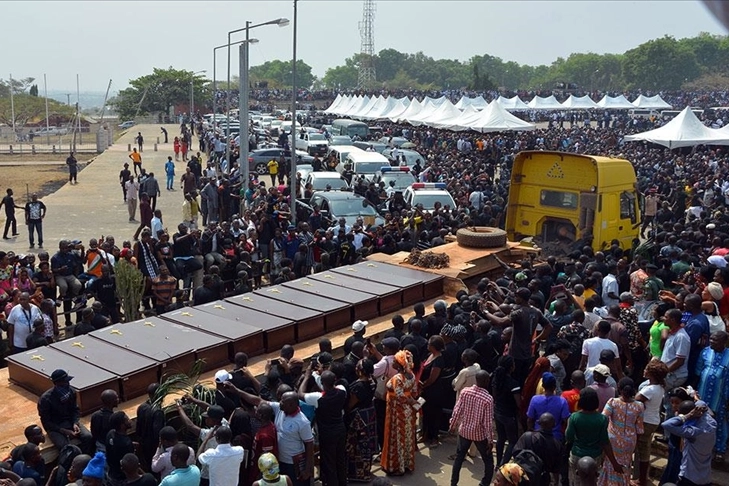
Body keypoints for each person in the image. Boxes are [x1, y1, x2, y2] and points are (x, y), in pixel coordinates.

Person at [565, 388, 623, 486]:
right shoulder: (602, 419)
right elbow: (605, 442)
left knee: (575, 481)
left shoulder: (574, 417)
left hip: (577, 455)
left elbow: (568, 437)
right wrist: (615, 463)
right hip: (595, 457)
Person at [300, 369, 347, 486]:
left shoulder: (318, 398)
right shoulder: (342, 390)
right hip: (340, 429)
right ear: (335, 380)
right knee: (340, 458)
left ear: (322, 383)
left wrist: (306, 377)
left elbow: (300, 394)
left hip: (327, 434)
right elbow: (328, 387)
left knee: (329, 462)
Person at [449, 370, 495, 486]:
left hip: (464, 431)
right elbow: (488, 423)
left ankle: (453, 483)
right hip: (479, 434)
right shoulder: (488, 399)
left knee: (459, 458)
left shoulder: (465, 392)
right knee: (488, 462)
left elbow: (457, 411)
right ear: (487, 381)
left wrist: (452, 425)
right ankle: (484, 484)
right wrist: (490, 440)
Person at [597, 377, 644, 486]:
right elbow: (640, 430)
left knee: (610, 464)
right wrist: (634, 444)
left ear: (619, 388)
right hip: (630, 441)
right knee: (626, 464)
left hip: (613, 440)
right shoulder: (639, 406)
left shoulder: (613, 402)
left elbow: (603, 419)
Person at [37, 369, 93, 454]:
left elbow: (75, 409)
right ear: (57, 383)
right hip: (55, 426)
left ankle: (85, 457)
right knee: (65, 447)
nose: (68, 384)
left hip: (70, 422)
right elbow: (46, 422)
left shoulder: (71, 392)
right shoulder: (46, 400)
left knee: (88, 437)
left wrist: (75, 423)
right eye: (65, 382)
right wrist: (63, 430)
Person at [661, 400, 717, 486]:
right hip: (705, 477)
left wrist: (687, 416)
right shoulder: (711, 422)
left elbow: (666, 424)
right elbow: (702, 403)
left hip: (689, 477)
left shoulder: (693, 432)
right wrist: (695, 398)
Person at [381, 350, 418, 476]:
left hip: (397, 411)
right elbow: (414, 391)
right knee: (407, 436)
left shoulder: (398, 378)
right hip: (408, 411)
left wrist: (408, 400)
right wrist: (412, 401)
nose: (393, 362)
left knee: (397, 437)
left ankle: (397, 467)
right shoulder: (411, 375)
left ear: (399, 364)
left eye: (395, 361)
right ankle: (407, 464)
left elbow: (400, 396)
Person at [695, 330, 729, 462]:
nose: (712, 342)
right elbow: (698, 371)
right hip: (703, 394)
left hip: (721, 397)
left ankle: (720, 450)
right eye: (711, 339)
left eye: (715, 340)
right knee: (701, 419)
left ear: (724, 342)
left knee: (720, 422)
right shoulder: (705, 352)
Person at [635, 360, 668, 486]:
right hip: (653, 421)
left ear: (652, 374)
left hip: (645, 422)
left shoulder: (649, 390)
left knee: (641, 451)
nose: (644, 370)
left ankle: (641, 480)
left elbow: (636, 401)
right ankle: (642, 478)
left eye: (646, 369)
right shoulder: (660, 388)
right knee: (645, 449)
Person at [344, 358, 377, 482]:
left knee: (356, 445)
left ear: (361, 371)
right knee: (366, 443)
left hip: (359, 419)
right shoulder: (372, 381)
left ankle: (357, 474)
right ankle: (366, 470)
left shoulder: (359, 386)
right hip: (368, 415)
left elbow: (350, 405)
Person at [511, 413, 563, 486]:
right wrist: (556, 482)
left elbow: (515, 453)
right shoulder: (557, 445)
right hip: (542, 480)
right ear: (554, 425)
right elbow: (556, 469)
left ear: (539, 423)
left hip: (523, 477)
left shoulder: (527, 436)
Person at [490, 355, 522, 466]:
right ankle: (503, 464)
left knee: (501, 438)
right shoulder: (514, 384)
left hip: (498, 412)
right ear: (511, 367)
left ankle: (498, 463)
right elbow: (518, 403)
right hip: (509, 415)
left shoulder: (496, 380)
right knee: (513, 441)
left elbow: (494, 396)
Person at [526, 372, 570, 441]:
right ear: (554, 387)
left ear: (543, 385)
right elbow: (566, 420)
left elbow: (529, 419)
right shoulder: (562, 401)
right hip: (556, 437)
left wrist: (531, 431)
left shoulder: (534, 399)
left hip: (538, 437)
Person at [420, 334, 446, 448]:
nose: (427, 345)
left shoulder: (438, 360)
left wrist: (422, 386)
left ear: (434, 346)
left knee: (434, 415)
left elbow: (432, 379)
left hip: (434, 392)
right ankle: (425, 434)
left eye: (429, 344)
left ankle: (434, 437)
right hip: (426, 391)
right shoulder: (429, 355)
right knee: (426, 413)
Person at [136, 383, 166, 471]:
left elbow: (138, 426)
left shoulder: (141, 407)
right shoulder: (157, 412)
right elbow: (157, 433)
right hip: (153, 446)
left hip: (143, 443)